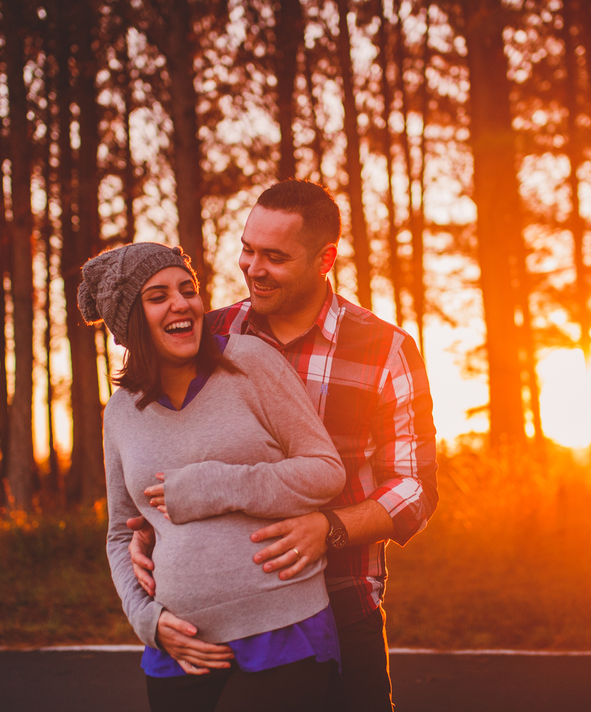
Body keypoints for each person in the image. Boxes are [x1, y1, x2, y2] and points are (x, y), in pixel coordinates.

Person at [128, 180, 439, 712]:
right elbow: (156, 453)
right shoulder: (208, 334)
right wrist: (145, 533)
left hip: (342, 612)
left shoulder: (386, 349)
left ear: (325, 259)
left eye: (274, 257)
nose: (253, 267)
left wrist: (330, 529)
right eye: (248, 249)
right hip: (215, 621)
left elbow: (415, 488)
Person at [77, 241, 347, 712]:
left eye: (188, 289)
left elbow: (325, 472)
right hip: (179, 650)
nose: (182, 304)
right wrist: (147, 620)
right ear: (130, 322)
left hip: (283, 632)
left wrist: (217, 485)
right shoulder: (120, 412)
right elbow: (121, 535)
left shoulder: (252, 363)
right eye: (158, 296)